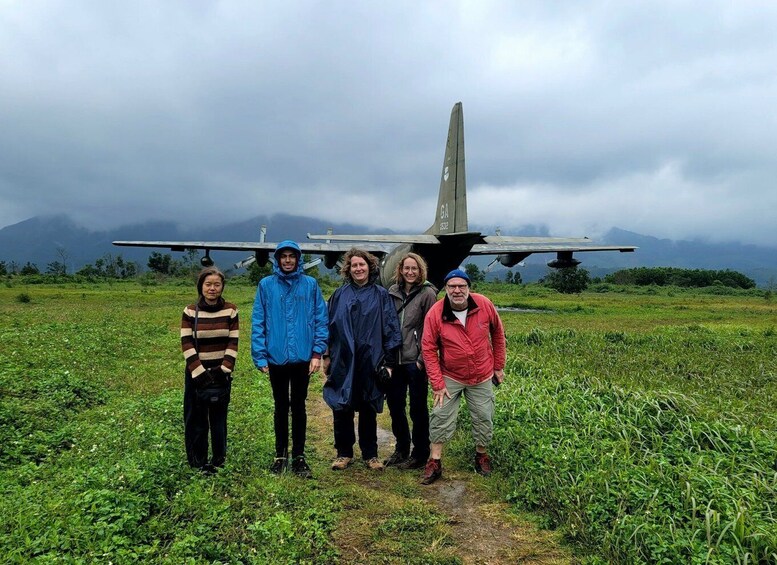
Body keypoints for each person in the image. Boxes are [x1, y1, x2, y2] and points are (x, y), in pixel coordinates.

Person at [420, 268, 506, 485]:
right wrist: (437, 383)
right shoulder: (436, 313)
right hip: (451, 375)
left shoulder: (484, 304)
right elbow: (428, 348)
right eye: (452, 286)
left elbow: (497, 333)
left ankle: (481, 455)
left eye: (461, 286)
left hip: (482, 374)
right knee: (440, 415)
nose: (457, 290)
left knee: (484, 416)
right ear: (446, 289)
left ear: (469, 288)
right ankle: (435, 461)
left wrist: (498, 366)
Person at [252, 240, 328, 478]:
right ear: (277, 259)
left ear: (298, 259)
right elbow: (258, 321)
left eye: (291, 256)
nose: (287, 260)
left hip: (303, 357)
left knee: (299, 406)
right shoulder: (266, 285)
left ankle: (299, 456)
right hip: (276, 356)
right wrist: (260, 354)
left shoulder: (310, 285)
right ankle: (280, 455)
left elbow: (320, 320)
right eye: (283, 256)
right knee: (280, 406)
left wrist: (317, 353)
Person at [323, 248, 402, 471]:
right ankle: (343, 452)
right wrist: (327, 355)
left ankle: (371, 454)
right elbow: (328, 326)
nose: (359, 268)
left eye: (362, 265)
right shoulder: (339, 295)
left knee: (368, 405)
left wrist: (388, 362)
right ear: (348, 269)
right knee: (341, 404)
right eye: (354, 265)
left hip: (371, 360)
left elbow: (390, 328)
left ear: (370, 267)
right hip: (343, 359)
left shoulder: (381, 295)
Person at [181, 267, 239, 474]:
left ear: (222, 287)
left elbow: (233, 342)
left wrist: (223, 369)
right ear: (201, 286)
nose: (212, 288)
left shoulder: (231, 310)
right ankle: (198, 462)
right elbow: (186, 343)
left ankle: (218, 459)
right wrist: (199, 372)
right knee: (196, 419)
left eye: (217, 284)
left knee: (218, 419)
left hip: (221, 374)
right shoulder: (189, 311)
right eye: (208, 284)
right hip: (196, 375)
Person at [384, 253, 438, 469]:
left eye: (414, 268)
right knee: (395, 406)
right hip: (394, 360)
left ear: (420, 270)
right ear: (400, 270)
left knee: (417, 409)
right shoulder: (392, 292)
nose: (410, 272)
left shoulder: (428, 294)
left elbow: (431, 329)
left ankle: (420, 452)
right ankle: (401, 448)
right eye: (406, 268)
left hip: (414, 361)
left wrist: (422, 360)